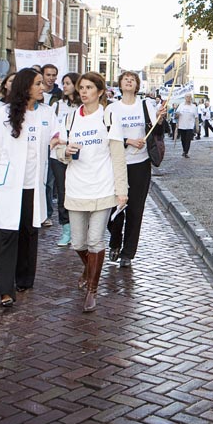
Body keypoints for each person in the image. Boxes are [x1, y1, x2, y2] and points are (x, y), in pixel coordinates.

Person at [0, 68, 59, 308]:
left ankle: (25, 279)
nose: (42, 86)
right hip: (8, 185)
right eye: (37, 83)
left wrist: (57, 140)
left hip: (33, 185)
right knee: (7, 235)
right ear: (25, 87)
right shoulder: (4, 113)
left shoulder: (47, 112)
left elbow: (57, 133)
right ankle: (6, 289)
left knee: (28, 232)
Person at [56, 72, 128, 313]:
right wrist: (65, 151)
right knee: (78, 242)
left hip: (103, 186)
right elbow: (57, 151)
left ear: (99, 91)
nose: (84, 92)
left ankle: (92, 291)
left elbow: (118, 156)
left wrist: (121, 190)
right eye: (81, 88)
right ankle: (88, 269)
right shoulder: (69, 119)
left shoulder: (108, 117)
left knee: (96, 239)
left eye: (89, 87)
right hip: (76, 186)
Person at [106, 71, 166, 268]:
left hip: (140, 164)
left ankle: (128, 253)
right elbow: (106, 135)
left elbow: (156, 131)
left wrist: (160, 119)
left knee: (135, 209)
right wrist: (127, 141)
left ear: (137, 85)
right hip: (117, 164)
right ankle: (115, 241)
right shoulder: (112, 108)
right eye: (125, 79)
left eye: (133, 79)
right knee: (115, 207)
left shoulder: (146, 105)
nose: (129, 81)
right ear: (120, 84)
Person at [48, 72, 81, 247]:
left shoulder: (83, 107)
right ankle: (66, 229)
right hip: (58, 155)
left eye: (68, 83)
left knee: (78, 190)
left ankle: (80, 228)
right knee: (63, 193)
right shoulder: (57, 106)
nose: (65, 86)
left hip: (78, 154)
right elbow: (53, 130)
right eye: (64, 83)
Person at [41, 64, 63, 227]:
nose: (51, 78)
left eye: (54, 75)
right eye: (48, 74)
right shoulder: (36, 93)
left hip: (53, 143)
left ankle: (47, 213)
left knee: (49, 182)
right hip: (38, 142)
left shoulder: (59, 96)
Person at [175, 93, 199, 158]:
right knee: (183, 139)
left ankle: (186, 152)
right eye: (187, 97)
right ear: (185, 98)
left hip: (190, 126)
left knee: (188, 139)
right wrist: (177, 114)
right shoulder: (181, 105)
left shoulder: (193, 106)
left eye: (189, 97)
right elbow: (176, 115)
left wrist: (197, 127)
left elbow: (196, 117)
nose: (188, 98)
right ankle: (184, 150)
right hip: (182, 125)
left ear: (191, 98)